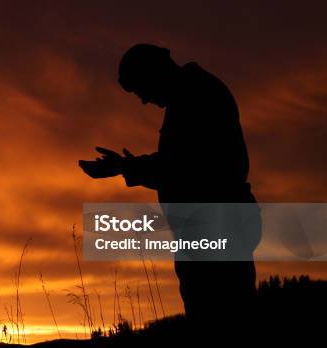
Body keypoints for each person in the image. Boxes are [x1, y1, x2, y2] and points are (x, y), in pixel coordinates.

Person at [79, 44, 261, 333]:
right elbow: (181, 163)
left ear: (154, 73)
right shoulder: (192, 93)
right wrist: (129, 166)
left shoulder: (197, 95)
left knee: (221, 320)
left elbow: (186, 166)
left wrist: (123, 168)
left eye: (141, 90)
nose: (143, 100)